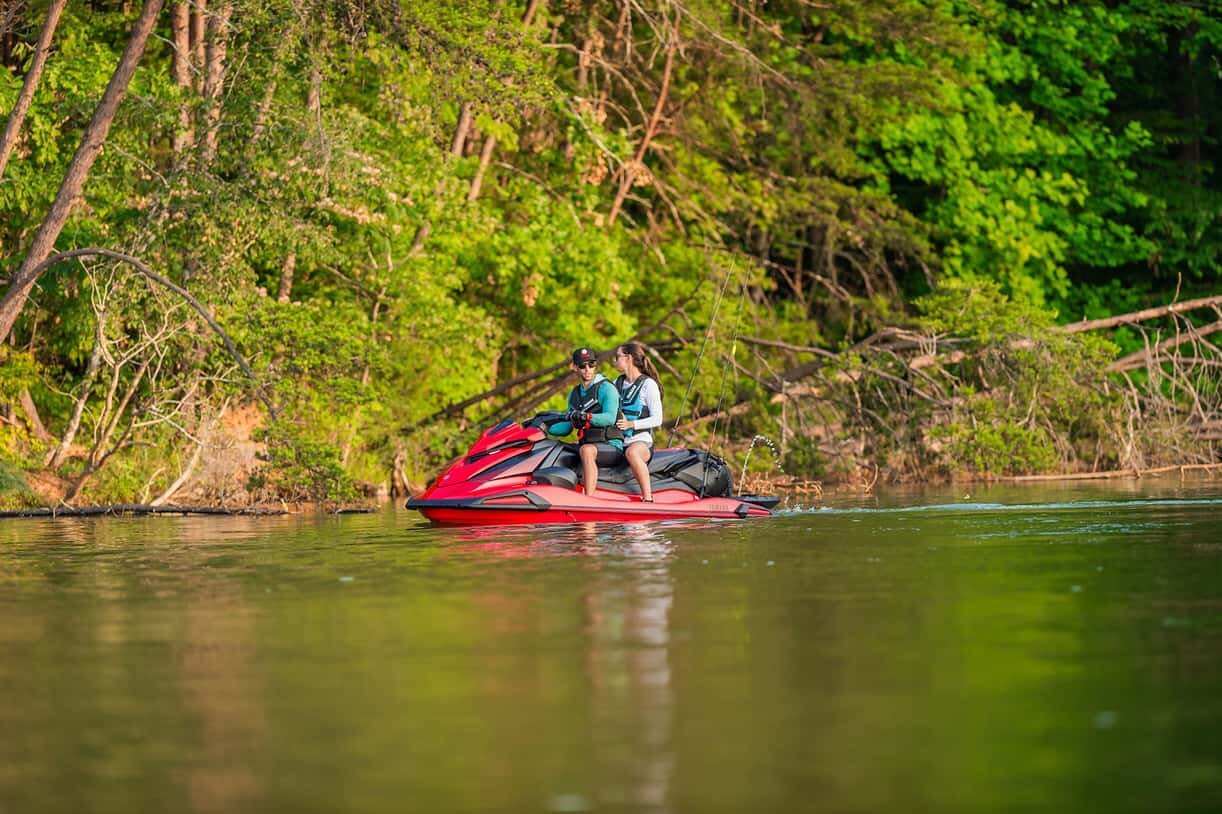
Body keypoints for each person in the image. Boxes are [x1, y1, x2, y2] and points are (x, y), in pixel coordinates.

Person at [547, 346, 624, 496]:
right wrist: (542, 428)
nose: (587, 369)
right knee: (554, 447)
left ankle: (589, 498)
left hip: (611, 445)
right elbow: (566, 428)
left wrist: (587, 416)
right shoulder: (574, 394)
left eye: (591, 364)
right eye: (582, 366)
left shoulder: (607, 388)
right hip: (588, 444)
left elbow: (610, 417)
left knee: (586, 450)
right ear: (574, 367)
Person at [612, 341, 664, 502]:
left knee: (632, 452)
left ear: (628, 358)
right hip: (619, 439)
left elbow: (658, 419)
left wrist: (631, 424)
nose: (614, 361)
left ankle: (648, 498)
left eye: (617, 357)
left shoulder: (648, 385)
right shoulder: (616, 383)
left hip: (641, 441)